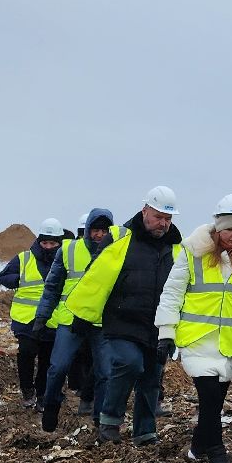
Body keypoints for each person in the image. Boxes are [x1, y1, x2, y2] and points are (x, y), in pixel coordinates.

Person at [157, 195, 232, 463]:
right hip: (197, 340)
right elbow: (171, 294)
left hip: (231, 343)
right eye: (230, 229)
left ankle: (197, 446)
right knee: (209, 400)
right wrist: (166, 333)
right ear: (218, 227)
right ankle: (218, 457)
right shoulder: (193, 253)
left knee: (214, 403)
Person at [66, 186, 184, 446]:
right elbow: (96, 276)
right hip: (122, 319)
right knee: (129, 364)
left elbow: (183, 287)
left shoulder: (177, 247)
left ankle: (145, 431)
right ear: (144, 211)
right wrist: (83, 315)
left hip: (157, 324)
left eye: (168, 219)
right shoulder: (121, 238)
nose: (163, 223)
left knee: (152, 376)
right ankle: (109, 421)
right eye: (158, 217)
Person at [33, 207, 116, 430]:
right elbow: (52, 288)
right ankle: (50, 409)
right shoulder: (68, 251)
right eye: (96, 229)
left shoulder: (116, 253)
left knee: (106, 373)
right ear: (88, 229)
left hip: (100, 322)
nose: (99, 235)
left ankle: (100, 420)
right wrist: (42, 317)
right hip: (70, 321)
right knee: (58, 367)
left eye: (104, 230)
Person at [0, 219, 65, 409]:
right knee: (26, 353)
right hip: (26, 319)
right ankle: (28, 390)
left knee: (46, 359)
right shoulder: (24, 258)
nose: (48, 247)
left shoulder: (65, 261)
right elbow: (3, 276)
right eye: (45, 243)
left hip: (52, 320)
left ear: (59, 243)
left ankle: (42, 394)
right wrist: (17, 279)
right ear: (39, 241)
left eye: (53, 243)